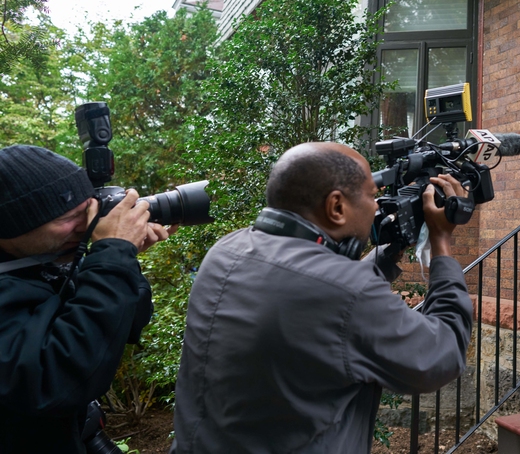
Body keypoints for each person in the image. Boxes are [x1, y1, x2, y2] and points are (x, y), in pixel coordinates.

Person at [171, 142, 473, 454]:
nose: (377, 205)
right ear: (336, 207)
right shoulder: (347, 291)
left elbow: (317, 288)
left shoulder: (225, 251)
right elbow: (441, 356)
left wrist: (390, 249)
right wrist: (441, 241)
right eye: (372, 195)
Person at [0, 144, 170, 454]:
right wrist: (112, 258)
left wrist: (122, 260)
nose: (89, 225)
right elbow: (53, 380)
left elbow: (127, 326)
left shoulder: (45, 259)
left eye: (89, 210)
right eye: (70, 217)